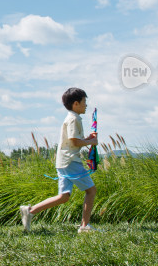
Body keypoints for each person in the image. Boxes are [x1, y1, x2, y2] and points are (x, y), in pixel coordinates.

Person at [19, 87, 98, 233]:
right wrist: (91, 142)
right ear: (76, 104)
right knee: (91, 191)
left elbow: (74, 140)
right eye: (84, 101)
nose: (86, 105)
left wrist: (87, 139)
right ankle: (85, 226)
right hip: (71, 161)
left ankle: (30, 211)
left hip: (64, 161)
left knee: (63, 196)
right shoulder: (74, 119)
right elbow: (74, 142)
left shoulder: (71, 118)